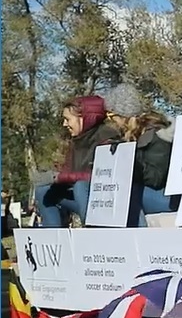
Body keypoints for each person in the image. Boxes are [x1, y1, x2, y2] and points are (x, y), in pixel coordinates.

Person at [34, 95, 122, 227]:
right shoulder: (77, 141)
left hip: (105, 201)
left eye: (67, 119)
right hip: (82, 197)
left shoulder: (108, 137)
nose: (65, 124)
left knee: (81, 186)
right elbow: (66, 174)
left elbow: (105, 177)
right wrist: (53, 177)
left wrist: (60, 177)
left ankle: (95, 234)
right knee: (43, 191)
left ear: (85, 118)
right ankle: (54, 239)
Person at [99, 83, 173, 226]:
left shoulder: (157, 136)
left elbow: (156, 179)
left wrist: (129, 158)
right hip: (147, 195)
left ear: (124, 115)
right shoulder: (132, 136)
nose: (110, 121)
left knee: (128, 193)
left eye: (111, 115)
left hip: (163, 197)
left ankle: (136, 238)